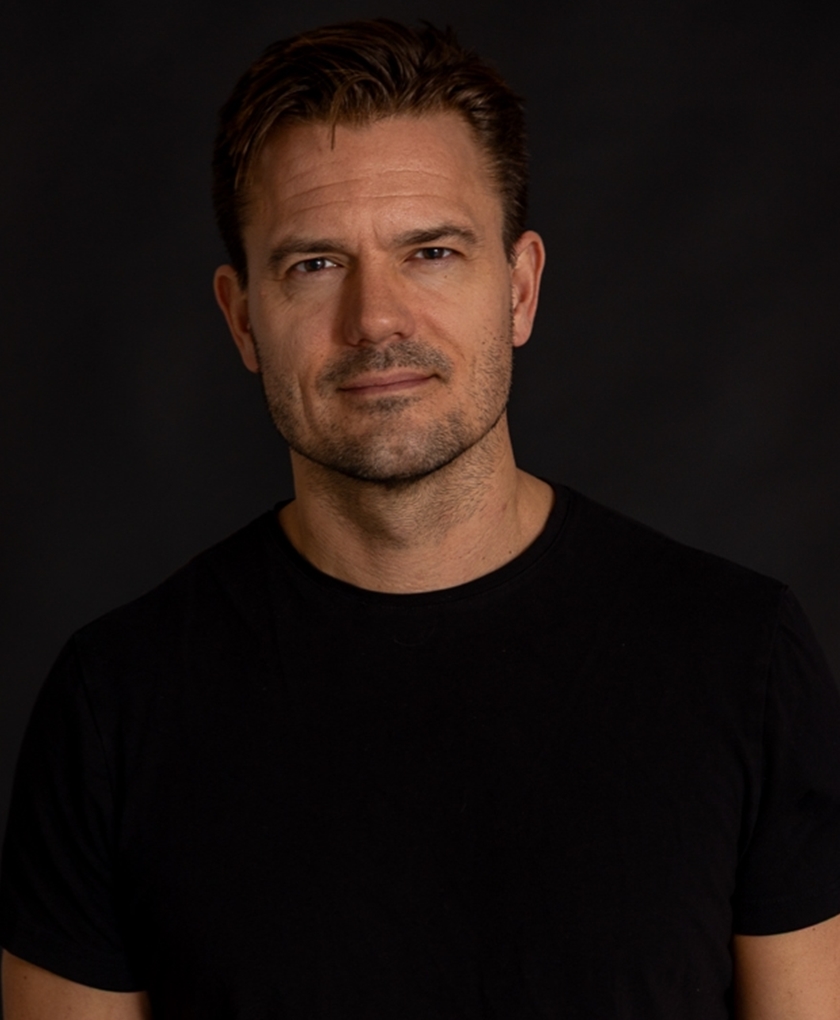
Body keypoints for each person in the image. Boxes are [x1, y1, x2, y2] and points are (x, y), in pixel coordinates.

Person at [2, 18, 840, 1019]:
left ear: (519, 289)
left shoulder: (739, 657)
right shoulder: (114, 705)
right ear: (242, 319)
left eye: (432, 252)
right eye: (315, 264)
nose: (376, 319)